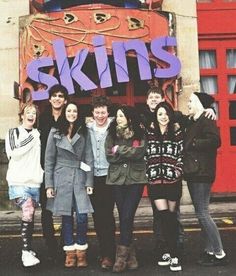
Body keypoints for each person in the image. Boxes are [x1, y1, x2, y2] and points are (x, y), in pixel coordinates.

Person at [44, 102, 94, 268]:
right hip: (61, 177)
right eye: (69, 110)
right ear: (64, 113)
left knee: (82, 215)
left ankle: (81, 251)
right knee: (66, 216)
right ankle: (70, 253)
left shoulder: (83, 131)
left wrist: (89, 181)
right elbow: (49, 160)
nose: (72, 113)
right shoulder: (55, 131)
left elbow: (89, 158)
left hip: (79, 175)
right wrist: (49, 185)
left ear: (78, 113)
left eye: (75, 111)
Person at [183, 92, 228, 266]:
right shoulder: (192, 120)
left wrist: (194, 144)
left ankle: (219, 252)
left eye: (190, 101)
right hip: (195, 173)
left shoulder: (206, 119)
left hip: (203, 173)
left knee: (203, 213)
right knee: (200, 213)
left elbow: (216, 140)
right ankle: (209, 250)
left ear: (200, 104)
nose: (188, 104)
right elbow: (177, 117)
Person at [105, 105, 147, 273]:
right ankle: (131, 254)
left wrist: (120, 149)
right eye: (117, 116)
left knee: (127, 214)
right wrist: (124, 152)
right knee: (124, 216)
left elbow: (140, 152)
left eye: (121, 116)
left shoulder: (139, 132)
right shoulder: (111, 133)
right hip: (117, 180)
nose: (118, 118)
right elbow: (109, 155)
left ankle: (121, 257)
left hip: (135, 180)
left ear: (129, 118)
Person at [145, 101, 184, 272]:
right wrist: (148, 171)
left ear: (170, 115)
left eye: (166, 113)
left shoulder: (176, 131)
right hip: (155, 182)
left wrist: (177, 171)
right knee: (163, 216)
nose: (163, 117)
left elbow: (182, 154)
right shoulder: (150, 132)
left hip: (172, 182)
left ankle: (174, 255)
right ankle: (169, 252)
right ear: (156, 115)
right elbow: (145, 154)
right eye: (160, 114)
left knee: (171, 217)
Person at [5, 102, 44, 268]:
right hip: (18, 181)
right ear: (21, 115)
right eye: (28, 112)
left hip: (34, 182)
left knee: (30, 215)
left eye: (34, 113)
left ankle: (29, 248)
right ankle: (26, 252)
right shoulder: (13, 132)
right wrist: (33, 136)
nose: (31, 115)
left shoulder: (39, 134)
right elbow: (14, 152)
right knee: (27, 210)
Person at [39, 84, 68, 259]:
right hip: (45, 169)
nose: (57, 98)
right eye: (54, 95)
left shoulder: (70, 118)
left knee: (66, 209)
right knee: (46, 209)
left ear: (65, 100)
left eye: (60, 95)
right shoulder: (41, 119)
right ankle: (50, 245)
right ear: (50, 99)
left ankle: (66, 243)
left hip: (65, 170)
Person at [87, 96, 116, 270]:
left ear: (108, 112)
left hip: (109, 176)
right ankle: (104, 250)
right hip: (93, 178)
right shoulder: (88, 128)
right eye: (97, 112)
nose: (100, 115)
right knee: (97, 216)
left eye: (103, 112)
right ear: (92, 113)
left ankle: (109, 254)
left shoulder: (114, 127)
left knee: (108, 216)